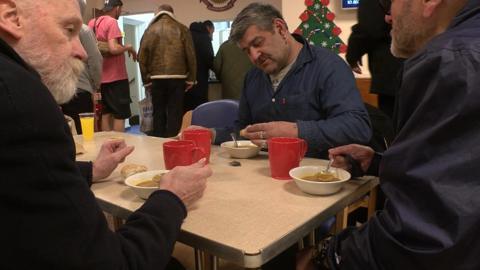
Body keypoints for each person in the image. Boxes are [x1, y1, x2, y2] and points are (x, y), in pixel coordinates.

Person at [0, 0, 211, 269]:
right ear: (11, 16)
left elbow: (23, 177)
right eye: (68, 30)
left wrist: (91, 171)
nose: (83, 52)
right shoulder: (20, 99)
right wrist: (172, 197)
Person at [305, 0, 480, 269]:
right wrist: (379, 162)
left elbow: (423, 237)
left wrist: (330, 254)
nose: (386, 17)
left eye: (389, 3)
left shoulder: (454, 60)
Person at [212, 3, 372, 159]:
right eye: (247, 51)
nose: (254, 56)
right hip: (263, 177)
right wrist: (212, 134)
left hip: (318, 176)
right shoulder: (252, 77)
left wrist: (296, 131)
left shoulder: (329, 67)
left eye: (258, 43)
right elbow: (244, 131)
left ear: (280, 28)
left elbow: (357, 127)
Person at [138, 4, 196, 138]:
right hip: (178, 77)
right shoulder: (182, 28)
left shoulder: (149, 30)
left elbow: (141, 57)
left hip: (156, 79)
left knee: (158, 112)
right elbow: (191, 55)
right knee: (175, 112)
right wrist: (191, 78)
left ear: (158, 13)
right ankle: (174, 142)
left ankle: (158, 143)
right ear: (172, 13)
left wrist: (146, 81)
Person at [346, 0, 404, 118]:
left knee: (392, 124)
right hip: (425, 64)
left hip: (390, 70)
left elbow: (368, 28)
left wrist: (353, 56)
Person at [88, 0, 137, 132]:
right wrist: (129, 47)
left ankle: (107, 144)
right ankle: (118, 145)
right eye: (121, 9)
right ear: (117, 8)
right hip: (117, 78)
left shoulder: (92, 23)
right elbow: (114, 48)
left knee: (105, 114)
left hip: (101, 79)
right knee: (119, 115)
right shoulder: (112, 22)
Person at [61, 0, 102, 134]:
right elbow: (95, 59)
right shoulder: (83, 30)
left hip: (58, 92)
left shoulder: (55, 28)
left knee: (66, 134)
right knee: (85, 135)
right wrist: (96, 86)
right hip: (81, 92)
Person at [184, 20, 214, 112]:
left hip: (185, 81)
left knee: (187, 111)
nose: (212, 36)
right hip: (200, 80)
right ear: (208, 28)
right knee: (200, 110)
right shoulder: (205, 38)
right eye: (212, 32)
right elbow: (209, 59)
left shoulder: (185, 36)